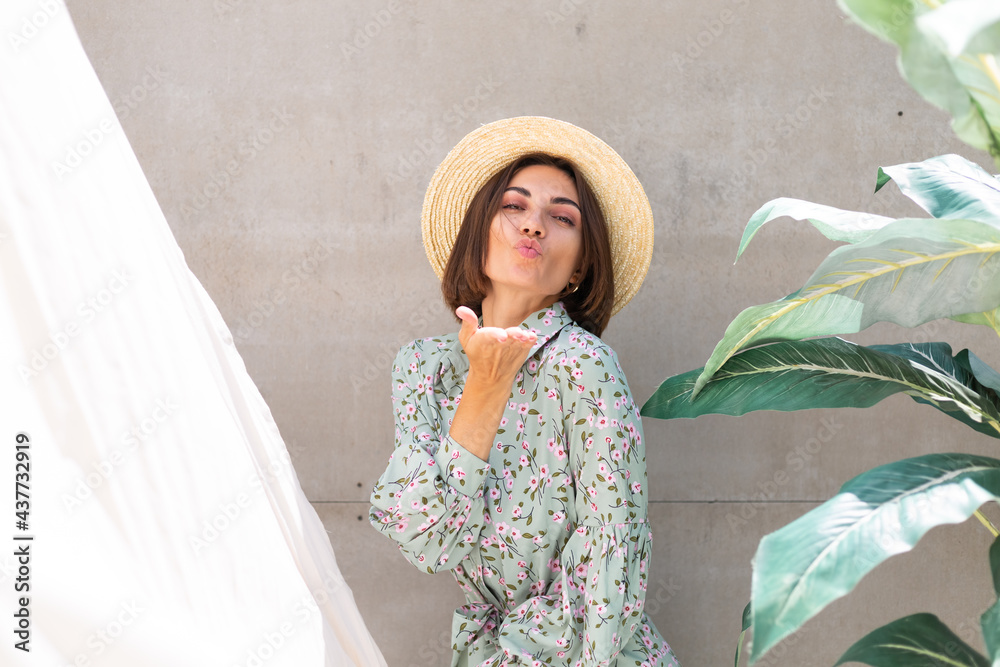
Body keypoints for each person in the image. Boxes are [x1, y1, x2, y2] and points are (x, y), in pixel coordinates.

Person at [370, 117, 679, 666]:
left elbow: (612, 569)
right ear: (478, 228)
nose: (533, 225)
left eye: (562, 217)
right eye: (514, 206)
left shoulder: (585, 366)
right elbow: (426, 540)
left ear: (581, 263)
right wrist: (486, 384)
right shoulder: (424, 368)